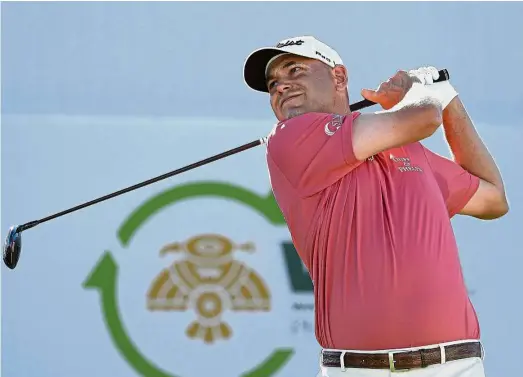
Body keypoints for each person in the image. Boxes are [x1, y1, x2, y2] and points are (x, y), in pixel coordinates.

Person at [242, 36, 509, 377]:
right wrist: (423, 94)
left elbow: (493, 198)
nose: (282, 86)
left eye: (296, 70)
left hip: (455, 366)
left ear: (339, 77)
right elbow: (424, 118)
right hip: (358, 369)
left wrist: (450, 100)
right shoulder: (290, 137)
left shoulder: (413, 154)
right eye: (273, 83)